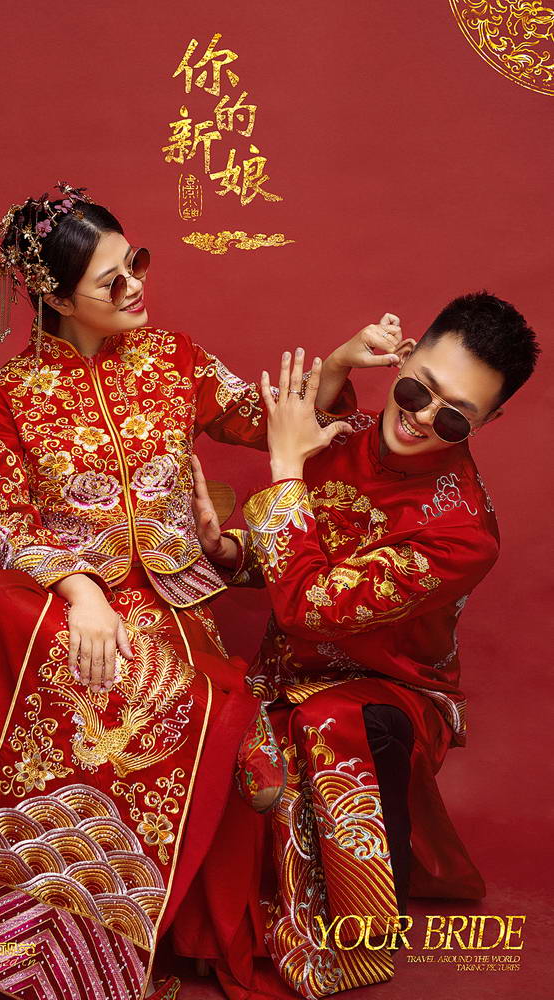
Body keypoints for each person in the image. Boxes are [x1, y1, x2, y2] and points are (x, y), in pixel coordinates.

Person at [0, 182, 358, 1000]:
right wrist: (82, 594)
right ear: (53, 297)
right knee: (63, 669)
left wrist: (340, 365)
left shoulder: (174, 359)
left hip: (175, 603)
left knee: (196, 714)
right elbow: (15, 527)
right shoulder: (3, 400)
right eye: (110, 280)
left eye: (135, 263)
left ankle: (119, 943)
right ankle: (28, 940)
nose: (135, 286)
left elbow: (261, 418)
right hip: (70, 602)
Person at [181, 293, 540, 998]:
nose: (423, 417)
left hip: (392, 694)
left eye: (454, 416)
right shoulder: (340, 437)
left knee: (331, 719)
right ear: (403, 360)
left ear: (487, 423)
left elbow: (311, 607)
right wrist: (226, 550)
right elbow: (296, 563)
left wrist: (286, 470)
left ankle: (361, 928)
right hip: (283, 673)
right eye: (418, 390)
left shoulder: (463, 532)